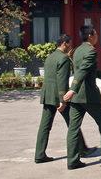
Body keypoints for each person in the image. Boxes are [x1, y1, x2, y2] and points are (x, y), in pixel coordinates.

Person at [61, 25, 101, 169]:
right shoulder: (91, 51)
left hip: (76, 99)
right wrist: (73, 89)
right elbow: (82, 71)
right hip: (88, 96)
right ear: (90, 36)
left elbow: (91, 70)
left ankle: (72, 161)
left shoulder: (77, 50)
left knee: (73, 128)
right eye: (96, 34)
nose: (97, 36)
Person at [34, 34, 96, 163]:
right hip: (59, 97)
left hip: (47, 94)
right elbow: (62, 81)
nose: (71, 46)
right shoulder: (63, 59)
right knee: (73, 123)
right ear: (64, 43)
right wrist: (63, 100)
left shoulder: (50, 57)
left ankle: (39, 154)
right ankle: (82, 149)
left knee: (45, 126)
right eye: (69, 44)